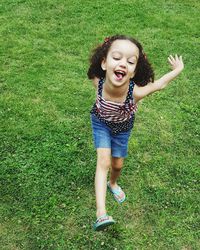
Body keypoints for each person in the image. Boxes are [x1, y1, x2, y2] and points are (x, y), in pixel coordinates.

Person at [87, 35, 184, 231]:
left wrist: (178, 69)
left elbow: (160, 84)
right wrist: (102, 46)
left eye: (130, 62)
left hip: (123, 129)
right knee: (103, 162)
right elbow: (92, 67)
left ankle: (113, 183)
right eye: (116, 58)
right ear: (104, 63)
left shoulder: (135, 92)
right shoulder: (98, 81)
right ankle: (101, 213)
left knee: (117, 165)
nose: (123, 63)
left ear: (133, 72)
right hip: (101, 124)